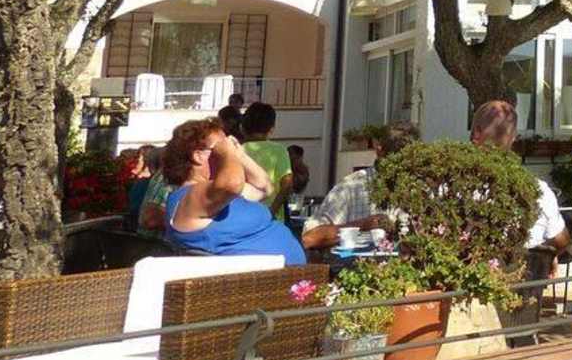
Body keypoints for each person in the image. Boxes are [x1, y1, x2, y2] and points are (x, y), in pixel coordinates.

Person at [159, 117, 305, 263]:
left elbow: (264, 187)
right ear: (198, 156)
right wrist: (227, 154)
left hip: (286, 272)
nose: (227, 149)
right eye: (220, 147)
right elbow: (233, 184)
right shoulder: (189, 196)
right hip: (263, 275)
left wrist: (239, 154)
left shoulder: (219, 195)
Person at [471, 99, 571, 266]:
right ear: (513, 139)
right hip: (527, 280)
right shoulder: (539, 191)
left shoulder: (448, 186)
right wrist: (548, 255)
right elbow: (561, 241)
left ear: (476, 133)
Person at [299, 123, 415, 251]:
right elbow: (309, 238)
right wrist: (362, 225)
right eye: (395, 159)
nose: (401, 167)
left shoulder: (419, 189)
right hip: (358, 262)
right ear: (379, 151)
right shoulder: (352, 187)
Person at [241, 102, 293, 219]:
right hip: (272, 219)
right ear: (271, 128)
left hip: (243, 217)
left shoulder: (237, 151)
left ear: (243, 127)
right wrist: (272, 211)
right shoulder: (279, 150)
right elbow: (287, 184)